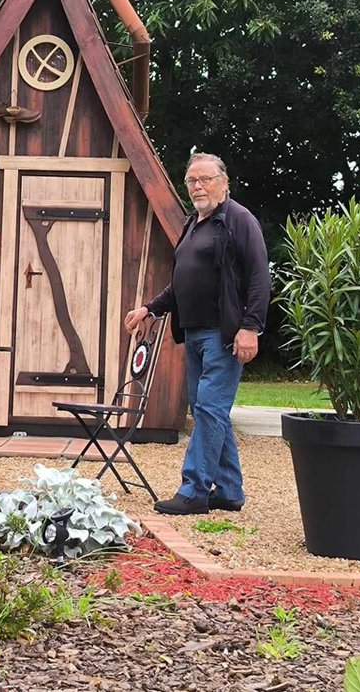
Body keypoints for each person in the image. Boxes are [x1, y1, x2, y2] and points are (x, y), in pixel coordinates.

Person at [124, 153, 269, 515]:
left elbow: (258, 279)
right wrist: (151, 309)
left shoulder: (239, 220)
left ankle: (194, 490)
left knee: (208, 407)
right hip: (192, 333)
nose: (198, 186)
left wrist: (250, 327)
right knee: (209, 410)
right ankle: (230, 490)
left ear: (224, 182)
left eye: (205, 179)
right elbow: (180, 283)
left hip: (224, 335)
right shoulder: (194, 224)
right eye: (191, 180)